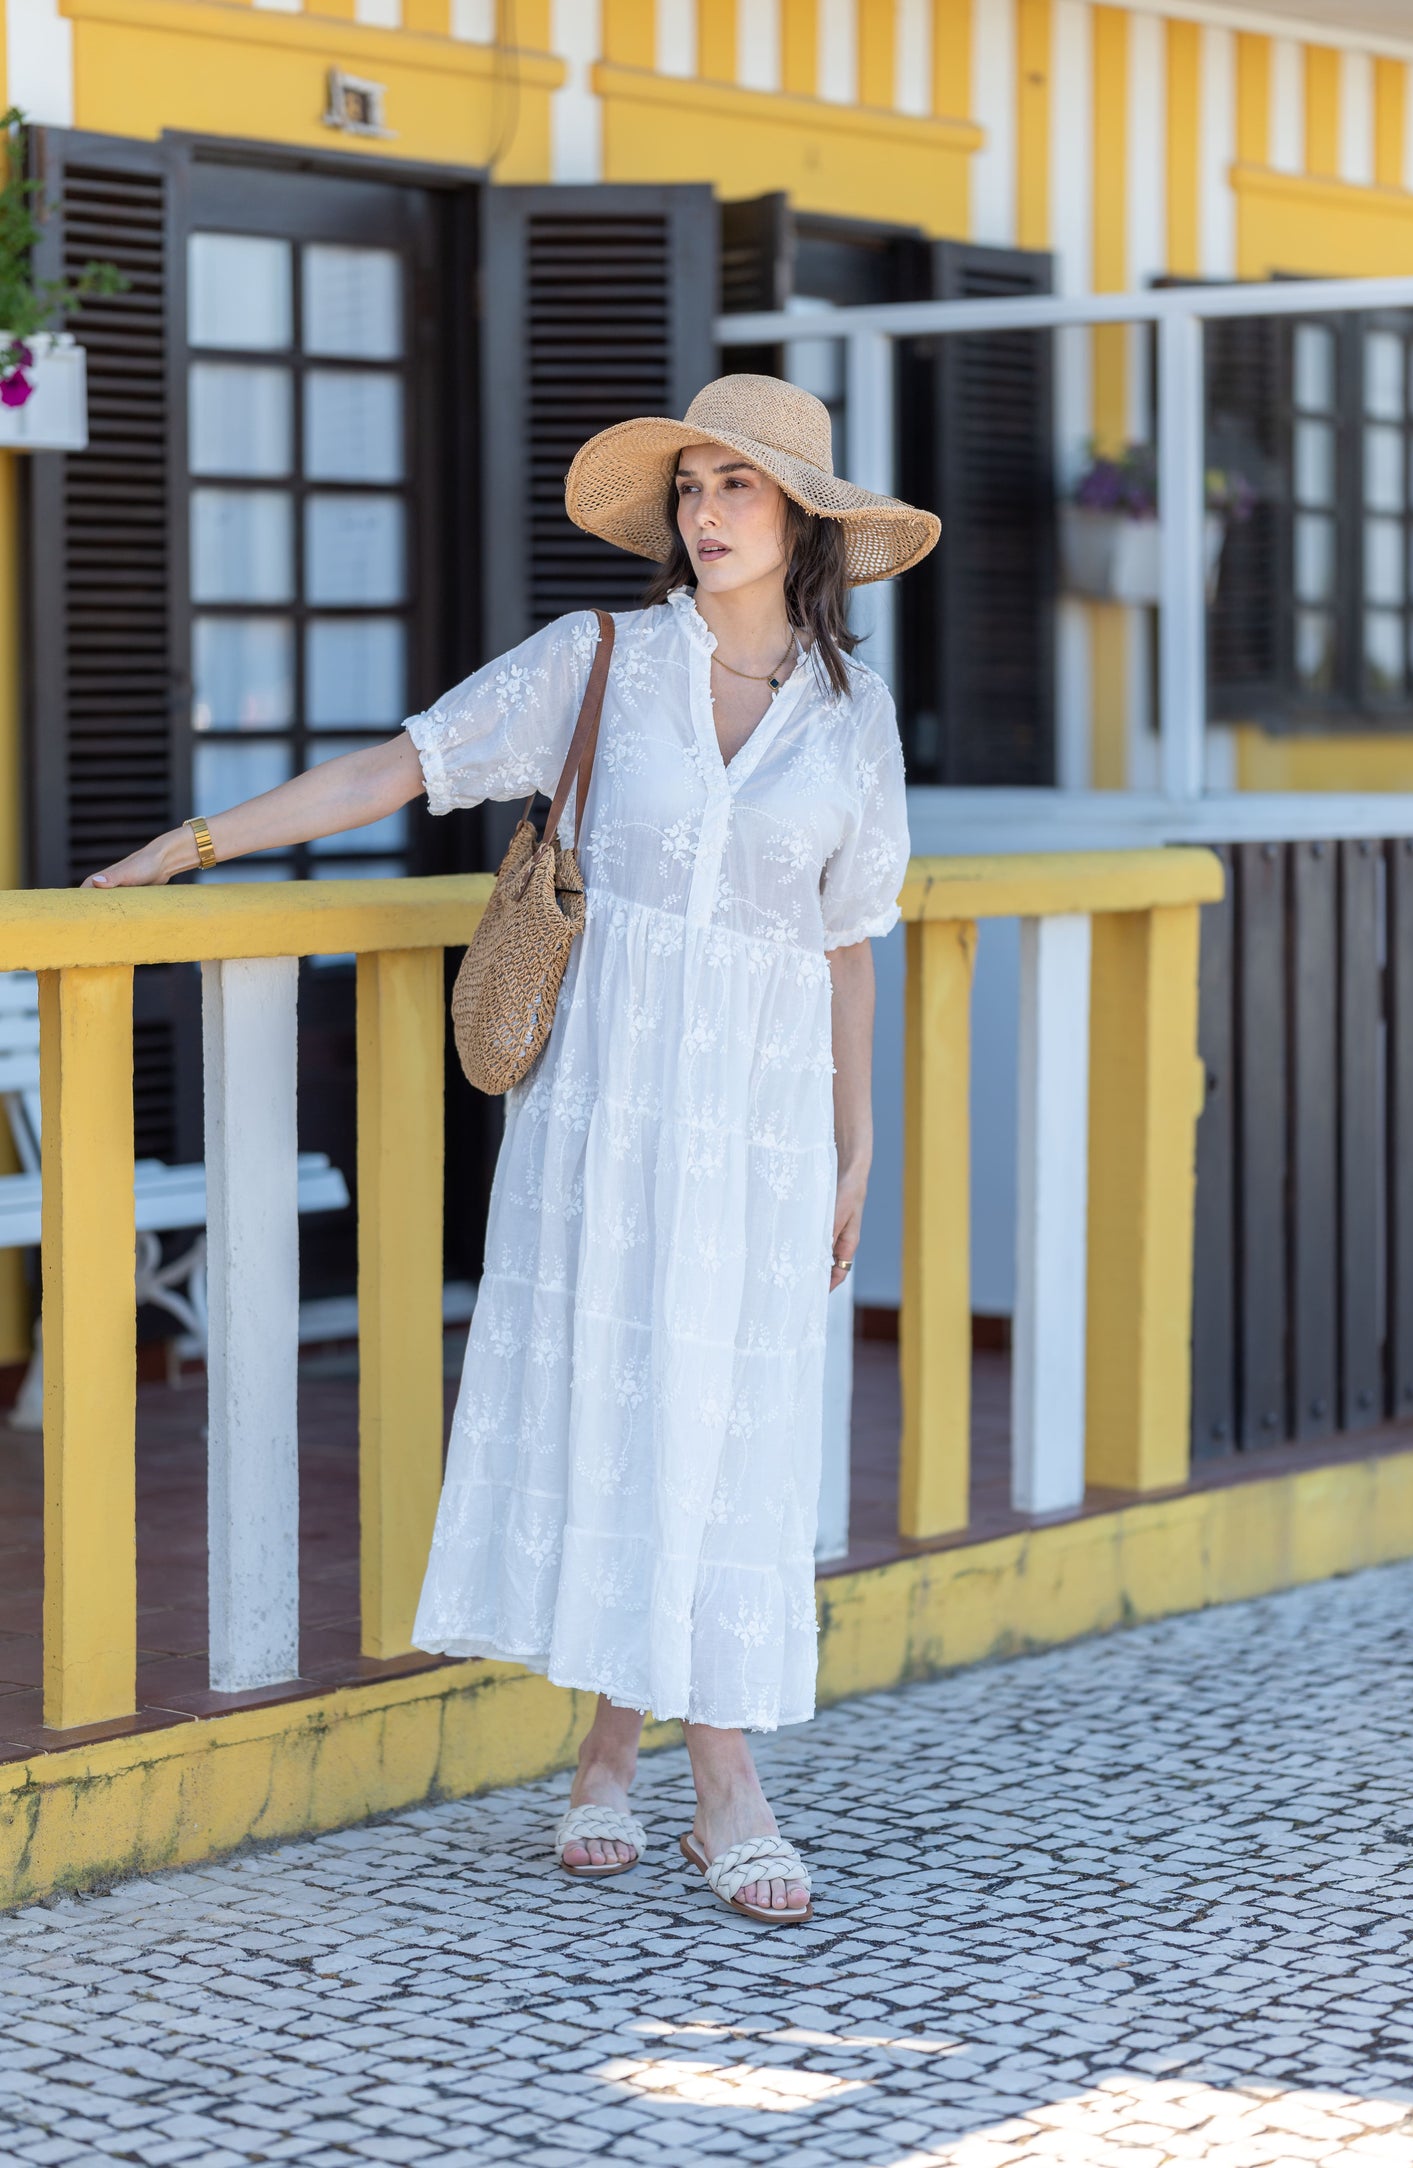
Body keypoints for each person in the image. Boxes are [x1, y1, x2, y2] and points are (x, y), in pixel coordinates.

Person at [85, 374, 939, 1927]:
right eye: (690, 487)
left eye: (735, 488)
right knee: (627, 1412)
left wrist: (854, 1144)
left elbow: (850, 939)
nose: (704, 512)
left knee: (731, 1424)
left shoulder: (849, 711)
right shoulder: (602, 658)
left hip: (756, 1122)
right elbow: (399, 768)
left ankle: (628, 1760)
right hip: (607, 1107)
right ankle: (719, 1786)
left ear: (803, 518)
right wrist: (195, 842)